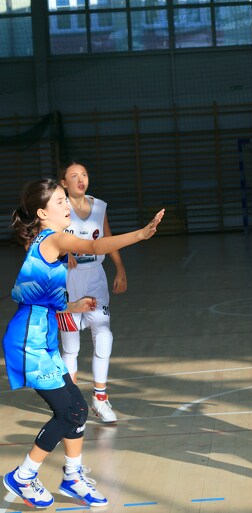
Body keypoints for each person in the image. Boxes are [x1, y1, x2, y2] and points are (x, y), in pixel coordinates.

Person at [2, 178, 164, 508]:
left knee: (76, 410)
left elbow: (42, 296)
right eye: (60, 201)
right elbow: (94, 247)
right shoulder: (55, 238)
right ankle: (24, 476)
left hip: (40, 336)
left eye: (66, 200)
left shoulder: (47, 243)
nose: (67, 206)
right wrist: (140, 234)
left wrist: (73, 305)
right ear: (42, 214)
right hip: (29, 341)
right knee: (70, 411)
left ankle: (72, 477)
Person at [56, 162, 126, 423]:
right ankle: (71, 403)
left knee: (104, 336)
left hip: (95, 278)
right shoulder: (58, 207)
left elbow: (107, 238)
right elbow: (47, 238)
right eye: (74, 176)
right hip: (67, 281)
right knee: (70, 347)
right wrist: (63, 251)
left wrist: (120, 268)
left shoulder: (99, 206)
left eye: (84, 174)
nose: (80, 179)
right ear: (64, 183)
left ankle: (100, 398)